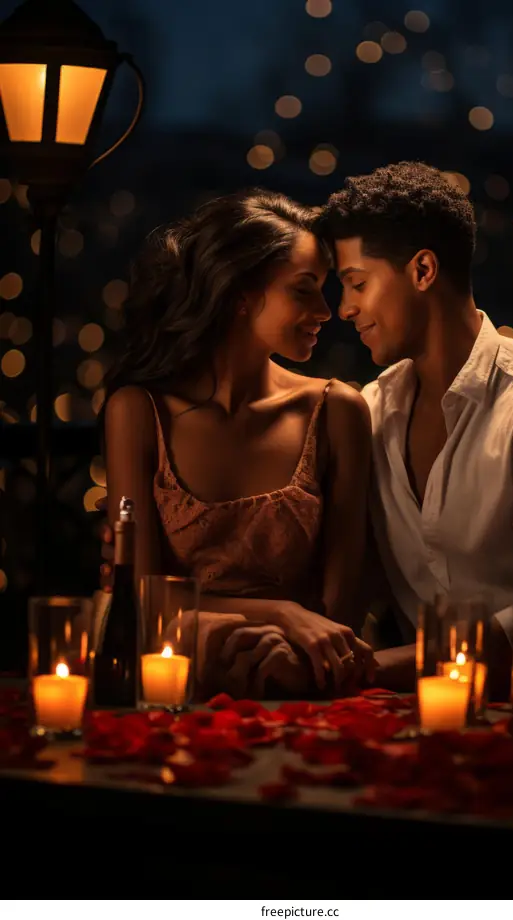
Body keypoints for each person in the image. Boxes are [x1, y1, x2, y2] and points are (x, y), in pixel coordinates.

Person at [316, 160, 513, 695]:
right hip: (421, 719)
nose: (345, 309)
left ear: (423, 270)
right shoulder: (371, 413)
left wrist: (377, 669)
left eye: (357, 284)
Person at [99, 188, 374, 698]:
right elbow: (139, 598)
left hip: (304, 679)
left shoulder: (337, 411)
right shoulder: (139, 412)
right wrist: (281, 613)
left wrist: (291, 654)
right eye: (304, 289)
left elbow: (342, 610)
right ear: (239, 294)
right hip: (174, 682)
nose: (326, 311)